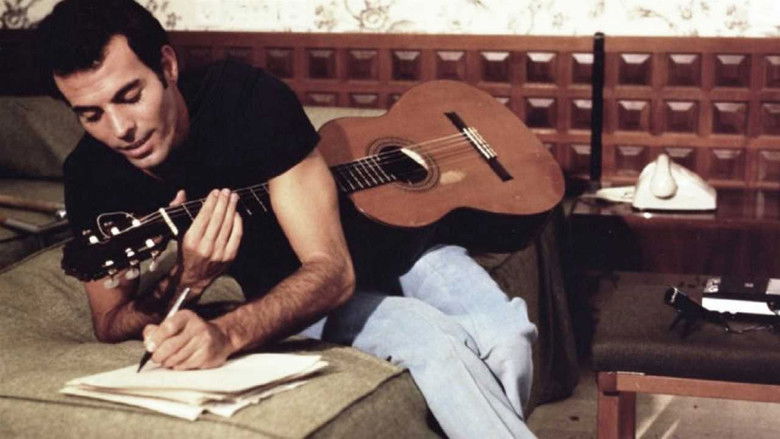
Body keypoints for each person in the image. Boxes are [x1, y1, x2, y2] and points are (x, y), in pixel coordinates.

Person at [36, 1, 538, 436]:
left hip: (401, 242)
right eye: (90, 114)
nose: (120, 129)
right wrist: (186, 280)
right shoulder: (91, 176)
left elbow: (334, 267)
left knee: (508, 337)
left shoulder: (246, 98)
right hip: (294, 282)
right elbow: (110, 322)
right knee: (434, 339)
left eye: (130, 96)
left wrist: (227, 335)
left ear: (166, 65)